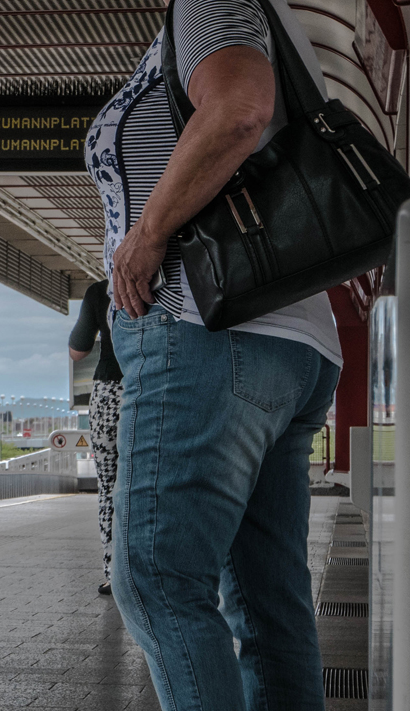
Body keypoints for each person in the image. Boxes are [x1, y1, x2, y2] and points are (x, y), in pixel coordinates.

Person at [83, 0, 342, 709]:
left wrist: (147, 234)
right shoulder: (264, 16)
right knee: (267, 605)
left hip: (207, 330)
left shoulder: (209, 1)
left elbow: (239, 107)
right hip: (290, 345)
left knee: (158, 580)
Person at [68, 279, 123, 596]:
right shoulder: (173, 277)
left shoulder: (100, 290)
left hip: (110, 392)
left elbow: (78, 350)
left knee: (109, 485)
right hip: (156, 387)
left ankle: (114, 574)